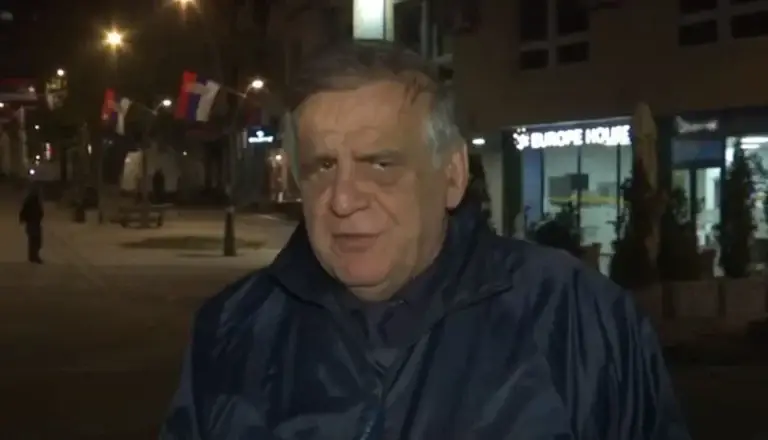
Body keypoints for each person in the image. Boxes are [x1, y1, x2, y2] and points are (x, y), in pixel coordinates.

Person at [161, 40, 690, 439]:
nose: (342, 199)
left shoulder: (580, 320)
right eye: (322, 167)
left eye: (381, 164)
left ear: (452, 175)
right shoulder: (232, 329)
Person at [19, 185, 44, 264]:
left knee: (33, 240)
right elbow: (25, 212)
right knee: (35, 240)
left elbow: (23, 212)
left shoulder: (30, 201)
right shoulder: (33, 201)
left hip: (33, 223)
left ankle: (33, 256)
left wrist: (22, 219)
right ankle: (34, 256)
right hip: (33, 223)